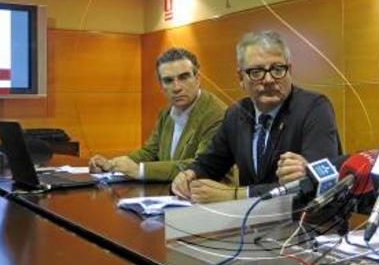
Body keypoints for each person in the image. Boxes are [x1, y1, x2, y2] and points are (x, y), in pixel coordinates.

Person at [171, 30, 342, 203]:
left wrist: (236, 195)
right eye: (257, 72)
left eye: (277, 69)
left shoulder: (314, 108)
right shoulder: (236, 114)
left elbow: (321, 181)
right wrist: (189, 174)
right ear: (240, 77)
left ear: (289, 70)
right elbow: (209, 163)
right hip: (252, 224)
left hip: (308, 222)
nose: (268, 79)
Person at [89, 48, 227, 182]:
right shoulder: (167, 112)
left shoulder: (217, 114)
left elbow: (202, 165)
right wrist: (111, 164)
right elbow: (150, 152)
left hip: (209, 198)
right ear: (161, 85)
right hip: (171, 193)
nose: (177, 87)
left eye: (184, 77)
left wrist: (141, 171)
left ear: (197, 79)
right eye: (168, 80)